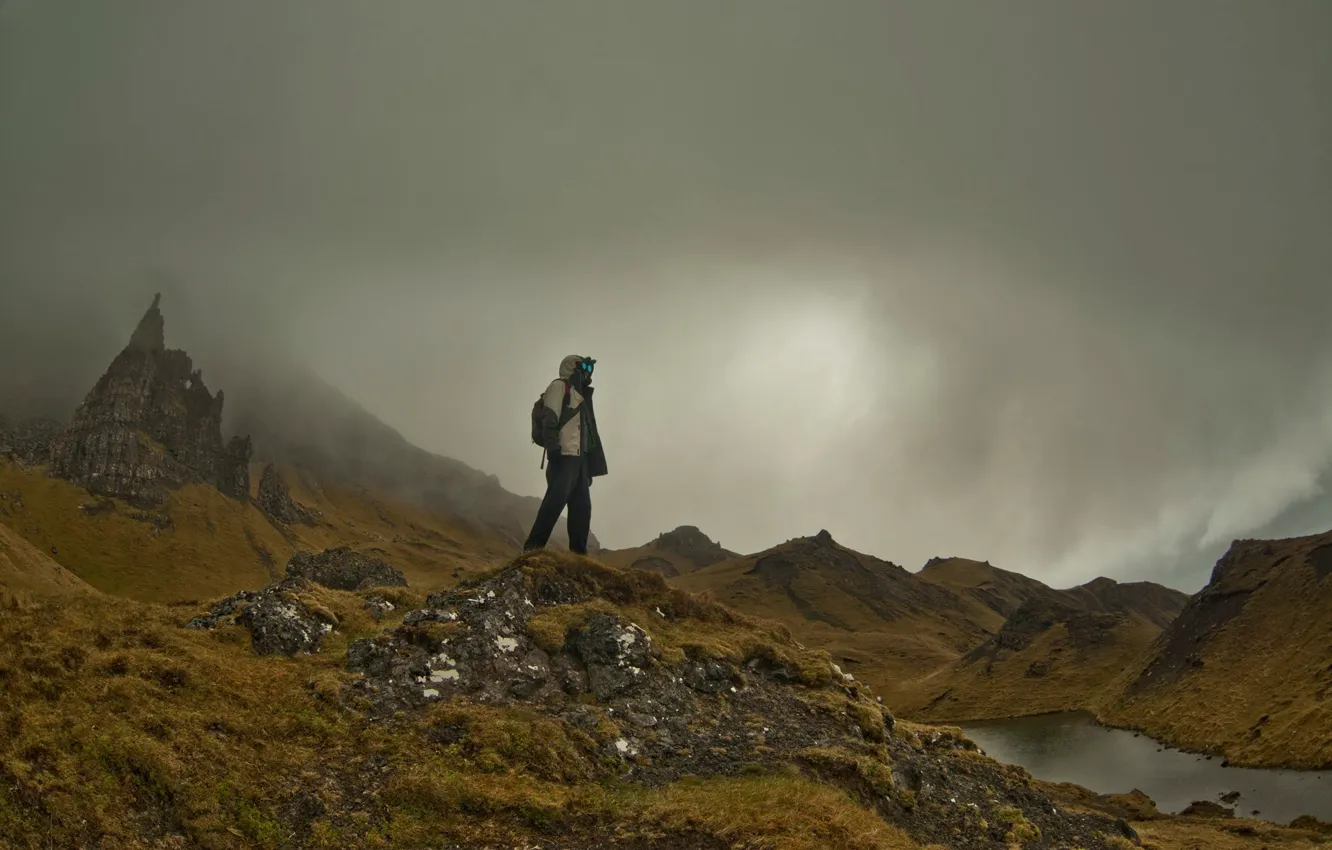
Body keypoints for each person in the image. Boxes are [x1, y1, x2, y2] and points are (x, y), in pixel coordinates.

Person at [523, 354, 607, 555]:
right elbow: (549, 417)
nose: (587, 373)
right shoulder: (559, 387)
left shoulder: (580, 396)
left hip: (579, 460)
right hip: (564, 456)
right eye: (583, 368)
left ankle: (578, 556)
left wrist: (587, 468)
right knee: (554, 502)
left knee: (582, 509)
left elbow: (585, 433)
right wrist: (553, 449)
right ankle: (532, 550)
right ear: (572, 368)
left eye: (589, 369)